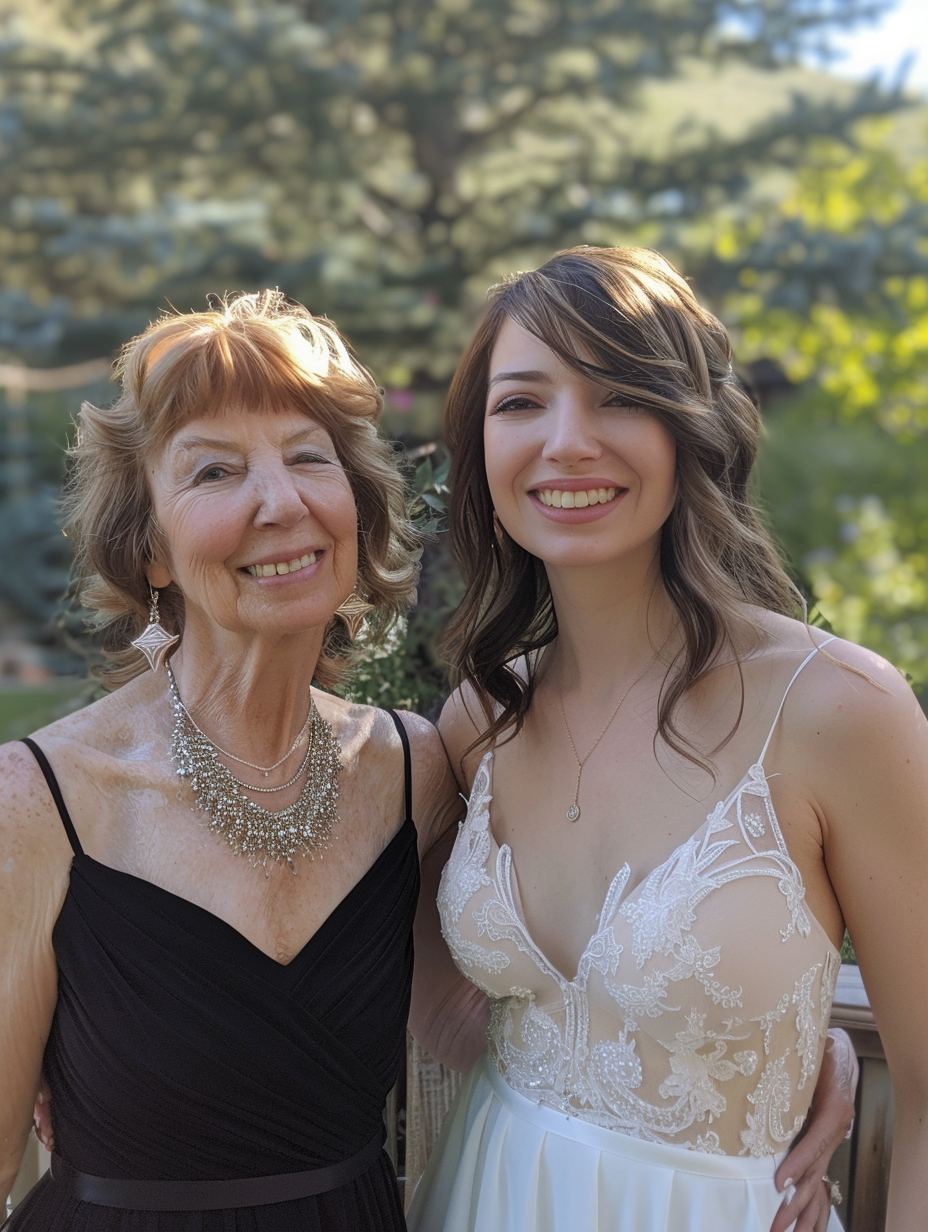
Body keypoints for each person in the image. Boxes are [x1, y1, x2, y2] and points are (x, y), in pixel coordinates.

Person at [405, 246, 928, 1232]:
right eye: (522, 402)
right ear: (479, 444)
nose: (565, 440)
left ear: (691, 428)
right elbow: (409, 979)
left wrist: (772, 1042)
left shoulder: (838, 709)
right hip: (486, 1194)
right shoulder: (479, 717)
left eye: (617, 397)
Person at [0, 291, 459, 1230]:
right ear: (152, 550)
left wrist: (774, 1033)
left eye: (307, 459)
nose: (280, 502)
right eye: (215, 471)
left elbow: (501, 1010)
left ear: (355, 510)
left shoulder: (414, 771)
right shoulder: (42, 802)